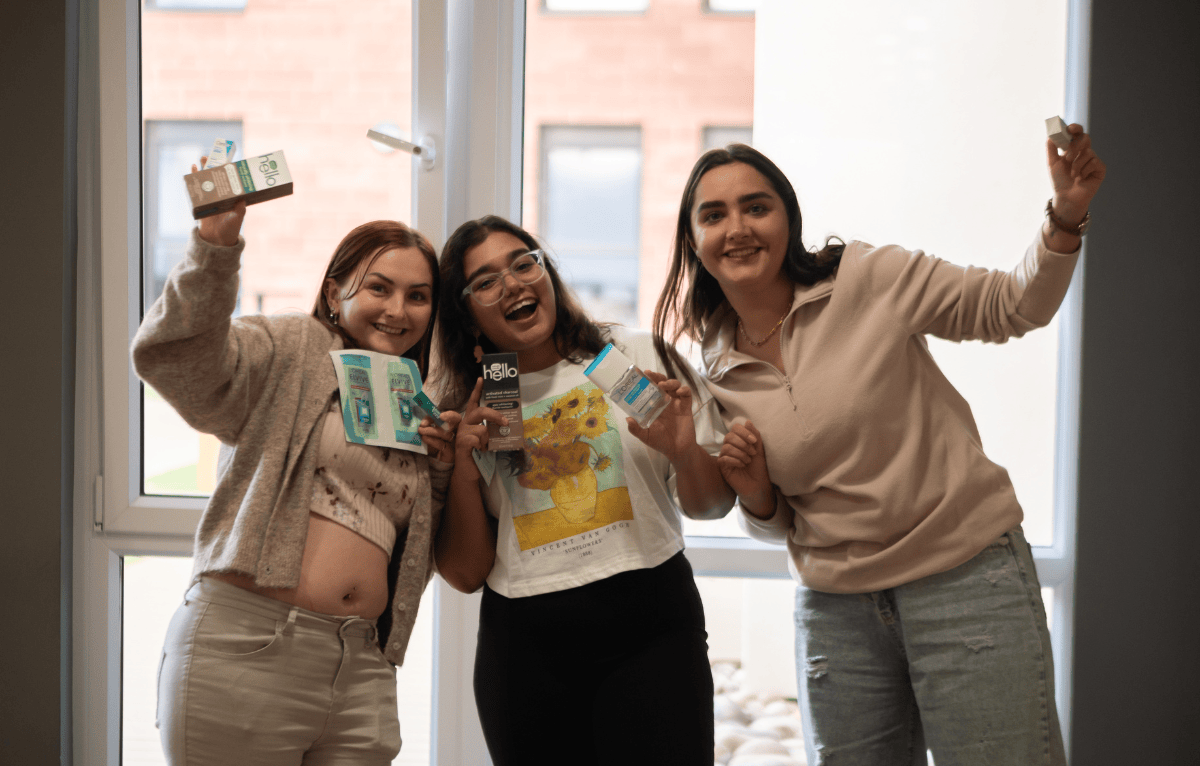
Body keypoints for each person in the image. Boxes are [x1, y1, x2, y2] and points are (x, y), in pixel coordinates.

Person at [651, 127, 1105, 766]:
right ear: (694, 244)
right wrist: (754, 492)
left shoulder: (869, 277)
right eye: (713, 215)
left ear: (788, 218)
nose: (738, 228)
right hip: (837, 611)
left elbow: (1012, 307)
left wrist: (1066, 214)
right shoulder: (716, 369)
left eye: (757, 206)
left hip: (966, 578)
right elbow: (779, 517)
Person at [132, 171, 457, 765]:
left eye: (418, 295)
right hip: (248, 645)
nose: (397, 309)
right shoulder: (292, 347)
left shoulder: (422, 403)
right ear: (335, 295)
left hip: (362, 667)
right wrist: (215, 248)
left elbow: (421, 557)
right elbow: (177, 359)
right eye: (378, 288)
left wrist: (442, 467)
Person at [426, 214, 733, 766]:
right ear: (465, 313)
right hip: (525, 649)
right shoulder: (477, 402)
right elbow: (467, 574)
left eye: (524, 263)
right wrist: (464, 469)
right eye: (487, 280)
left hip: (653, 626)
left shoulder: (633, 356)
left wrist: (684, 450)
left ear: (549, 274)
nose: (515, 283)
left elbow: (712, 506)